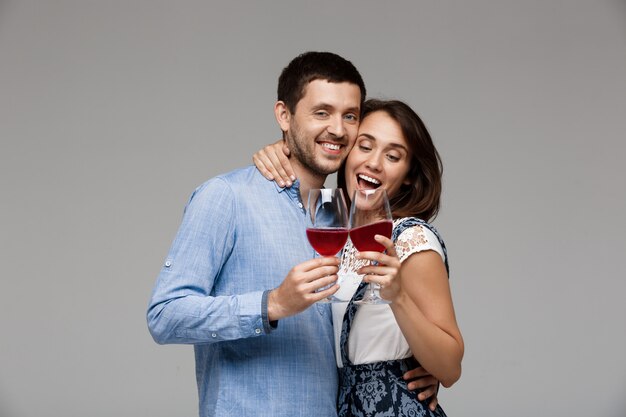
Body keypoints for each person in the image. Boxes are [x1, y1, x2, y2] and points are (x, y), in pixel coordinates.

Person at [146, 52, 438, 417]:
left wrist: (414, 366)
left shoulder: (339, 216)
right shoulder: (228, 197)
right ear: (284, 115)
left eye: (350, 116)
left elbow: (358, 329)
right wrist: (271, 304)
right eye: (321, 113)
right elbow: (164, 316)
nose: (337, 129)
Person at [253, 99, 464, 416]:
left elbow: (449, 367)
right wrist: (279, 150)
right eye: (364, 146)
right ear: (346, 152)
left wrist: (399, 297)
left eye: (393, 156)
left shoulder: (410, 240)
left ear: (408, 174)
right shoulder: (333, 232)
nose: (375, 163)